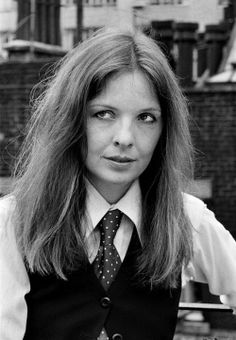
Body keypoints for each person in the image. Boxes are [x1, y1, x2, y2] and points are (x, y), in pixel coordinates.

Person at [0, 27, 236, 340]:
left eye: (146, 118)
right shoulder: (13, 223)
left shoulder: (186, 218)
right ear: (71, 119)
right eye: (104, 114)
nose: (125, 138)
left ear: (165, 129)